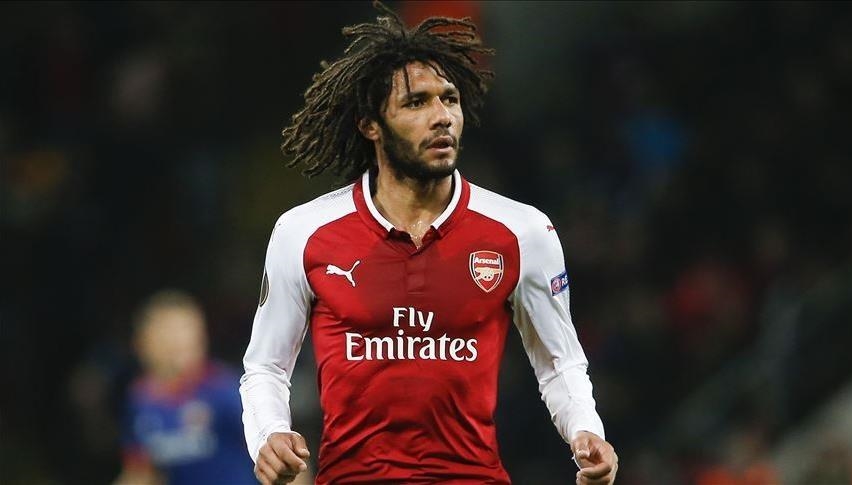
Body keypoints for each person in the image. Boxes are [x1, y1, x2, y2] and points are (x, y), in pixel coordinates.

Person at [240, 4, 618, 484]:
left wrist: (586, 430)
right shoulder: (304, 232)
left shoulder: (522, 231)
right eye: (416, 103)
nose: (442, 117)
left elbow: (560, 363)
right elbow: (266, 368)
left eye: (450, 99)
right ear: (370, 124)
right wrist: (269, 434)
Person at [116, 290, 257, 485]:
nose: (181, 340)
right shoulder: (140, 399)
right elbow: (141, 472)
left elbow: (282, 453)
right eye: (169, 332)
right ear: (142, 342)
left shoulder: (226, 390)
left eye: (187, 330)